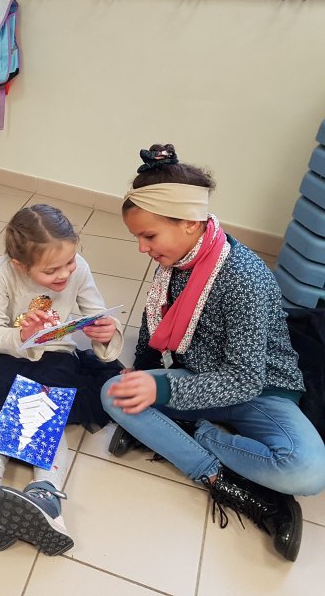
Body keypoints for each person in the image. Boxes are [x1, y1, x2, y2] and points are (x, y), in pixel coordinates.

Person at [101, 144, 325, 562]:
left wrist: (159, 394)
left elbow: (245, 380)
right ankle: (223, 481)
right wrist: (142, 372)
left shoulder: (244, 277)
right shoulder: (175, 261)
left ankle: (189, 433)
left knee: (308, 470)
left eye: (149, 236)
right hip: (198, 378)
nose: (142, 248)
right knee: (113, 392)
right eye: (138, 237)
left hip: (259, 392)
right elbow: (155, 321)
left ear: (189, 222)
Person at [0, 204, 123, 555]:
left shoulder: (78, 268)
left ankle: (46, 497)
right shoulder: (1, 274)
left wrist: (105, 331)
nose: (65, 273)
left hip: (56, 354)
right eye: (51, 270)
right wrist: (21, 337)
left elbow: (97, 314)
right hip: (8, 352)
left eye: (70, 262)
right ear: (20, 264)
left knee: (46, 405)